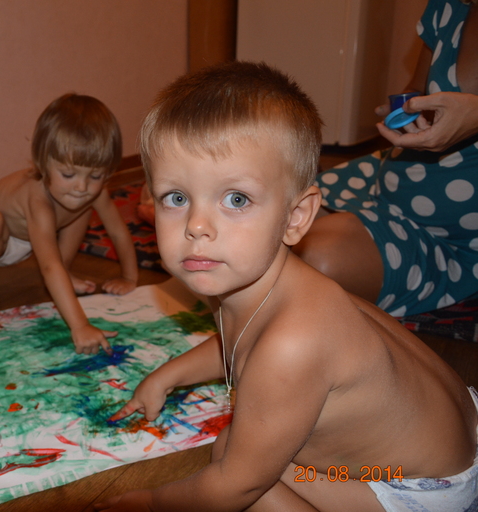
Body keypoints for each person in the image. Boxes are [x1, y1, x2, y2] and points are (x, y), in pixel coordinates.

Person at [93, 62, 478, 511]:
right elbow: (240, 341)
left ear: (296, 217)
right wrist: (167, 377)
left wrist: (149, 502)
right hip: (460, 428)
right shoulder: (282, 291)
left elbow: (236, 487)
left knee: (236, 464)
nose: (197, 225)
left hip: (420, 487)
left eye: (236, 199)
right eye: (176, 198)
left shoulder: (292, 343)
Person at [294, 0, 478, 317]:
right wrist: (405, 111)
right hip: (382, 180)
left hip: (452, 239)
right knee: (274, 216)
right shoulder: (449, 6)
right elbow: (417, 89)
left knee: (313, 259)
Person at [0, 93, 139, 354]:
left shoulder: (89, 191)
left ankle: (66, 271)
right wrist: (80, 326)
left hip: (37, 233)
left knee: (80, 204)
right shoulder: (37, 198)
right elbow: (48, 265)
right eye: (68, 174)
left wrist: (129, 277)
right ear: (43, 164)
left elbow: (118, 232)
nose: (81, 186)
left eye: (95, 176)